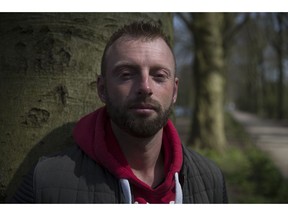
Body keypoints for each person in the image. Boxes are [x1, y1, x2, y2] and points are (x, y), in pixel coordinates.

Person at [10, 20, 228, 204]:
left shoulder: (211, 180)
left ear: (174, 91)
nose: (145, 87)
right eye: (126, 74)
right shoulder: (46, 182)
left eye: (159, 76)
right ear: (102, 89)